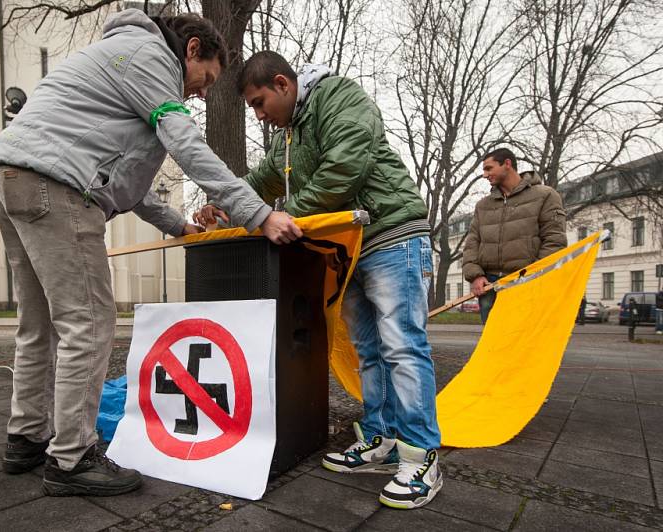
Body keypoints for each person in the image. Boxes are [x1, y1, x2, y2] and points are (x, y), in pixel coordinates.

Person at [0, 10, 302, 497]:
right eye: (206, 79)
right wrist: (258, 213)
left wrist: (179, 225)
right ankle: (70, 458)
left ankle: (25, 438)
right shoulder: (151, 56)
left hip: (11, 176)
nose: (201, 92)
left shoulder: (120, 56)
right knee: (87, 322)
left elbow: (127, 175)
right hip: (55, 185)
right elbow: (186, 144)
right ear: (191, 49)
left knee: (39, 323)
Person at [196, 51, 442, 510]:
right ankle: (382, 440)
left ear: (284, 84)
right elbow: (263, 180)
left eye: (258, 102)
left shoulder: (339, 97)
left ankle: (421, 454)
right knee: (369, 350)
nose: (258, 114)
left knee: (403, 346)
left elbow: (345, 167)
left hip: (391, 235)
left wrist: (284, 214)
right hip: (348, 246)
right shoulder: (285, 138)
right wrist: (227, 205)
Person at [462, 148, 567, 323]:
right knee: (494, 345)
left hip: (526, 285)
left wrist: (532, 277)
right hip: (490, 286)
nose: (484, 175)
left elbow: (554, 241)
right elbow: (472, 243)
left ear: (507, 164)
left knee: (525, 344)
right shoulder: (483, 205)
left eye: (489, 168)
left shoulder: (545, 196)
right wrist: (475, 276)